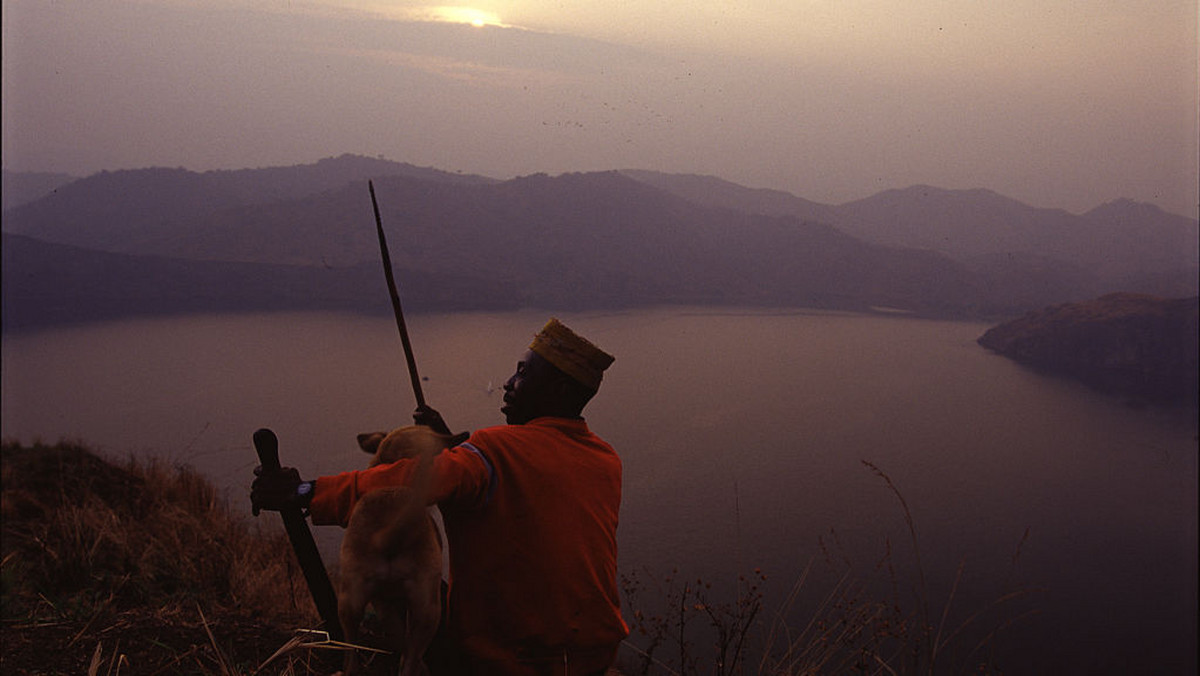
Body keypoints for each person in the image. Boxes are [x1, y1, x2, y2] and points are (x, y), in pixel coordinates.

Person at [251, 318, 628, 675]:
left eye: (524, 373)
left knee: (403, 597)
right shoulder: (605, 458)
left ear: (560, 390)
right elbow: (521, 491)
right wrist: (449, 442)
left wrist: (305, 491)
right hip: (592, 655)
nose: (509, 383)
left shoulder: (495, 449)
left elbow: (409, 482)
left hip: (511, 657)